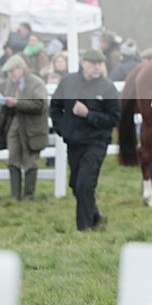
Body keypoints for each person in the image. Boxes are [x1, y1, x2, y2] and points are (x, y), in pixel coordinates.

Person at [50, 49, 120, 231]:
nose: (97, 67)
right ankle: (95, 216)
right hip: (74, 141)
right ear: (83, 63)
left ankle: (84, 228)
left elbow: (114, 118)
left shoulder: (107, 87)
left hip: (96, 142)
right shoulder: (68, 81)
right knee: (75, 183)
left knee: (85, 184)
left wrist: (88, 114)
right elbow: (55, 107)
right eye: (93, 63)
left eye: (99, 63)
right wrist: (62, 129)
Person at [0, 55, 50, 201]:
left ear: (21, 69)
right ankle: (15, 195)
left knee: (30, 161)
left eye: (12, 71)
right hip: (14, 126)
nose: (10, 75)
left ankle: (29, 195)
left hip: (32, 128)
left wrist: (17, 103)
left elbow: (40, 104)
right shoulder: (9, 84)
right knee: (12, 159)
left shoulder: (36, 83)